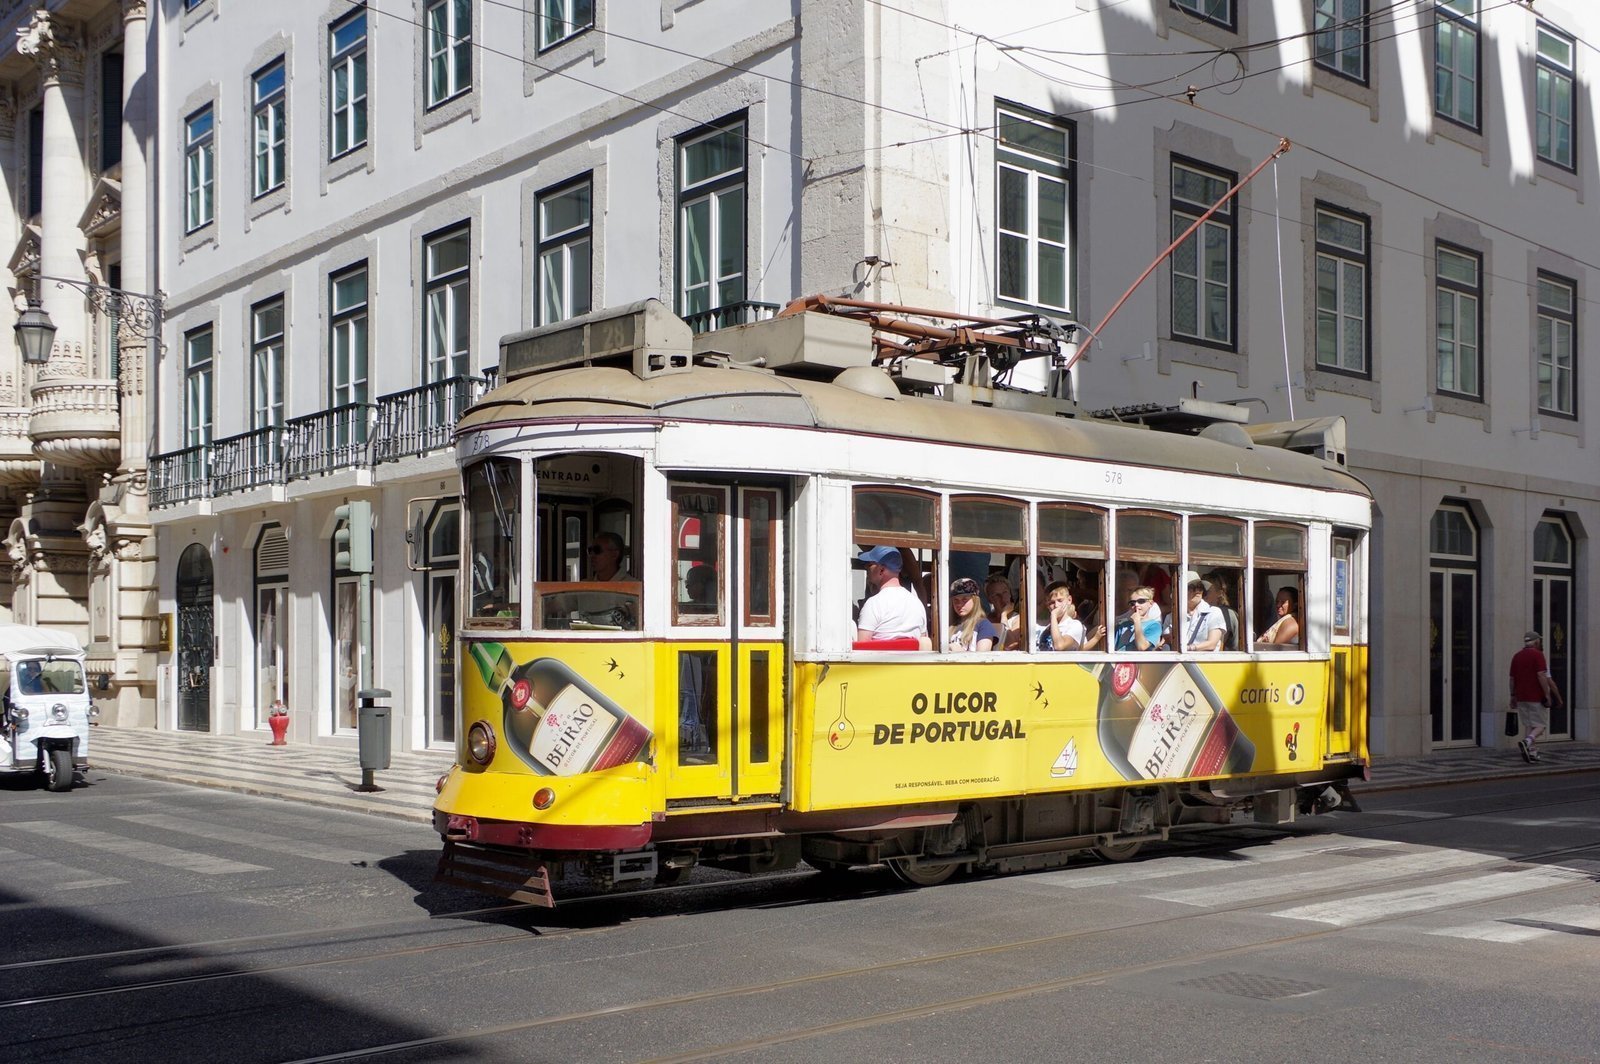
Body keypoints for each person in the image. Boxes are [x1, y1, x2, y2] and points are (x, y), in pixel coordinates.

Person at [855, 545, 929, 644]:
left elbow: (862, 648)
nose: (866, 567)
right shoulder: (917, 604)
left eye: (869, 564)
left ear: (881, 570)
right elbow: (924, 643)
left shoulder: (873, 604)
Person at [1509, 630, 1562, 763]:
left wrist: (1512, 695)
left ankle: (1531, 752)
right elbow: (1541, 675)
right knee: (1541, 725)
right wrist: (1546, 694)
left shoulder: (1517, 656)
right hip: (1535, 696)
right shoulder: (1538, 655)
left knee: (1529, 724)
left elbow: (1512, 679)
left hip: (1521, 696)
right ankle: (1527, 742)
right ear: (1536, 642)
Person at [1041, 580, 1105, 651]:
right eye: (1052, 602)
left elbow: (1059, 646)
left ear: (1069, 600)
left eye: (1060, 600)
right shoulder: (1045, 627)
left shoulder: (1074, 625)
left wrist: (1053, 615)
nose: (1056, 605)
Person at [948, 578, 998, 652]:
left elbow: (982, 658)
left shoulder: (984, 625)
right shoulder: (950, 625)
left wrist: (959, 652)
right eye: (956, 600)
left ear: (975, 600)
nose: (959, 604)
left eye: (965, 599)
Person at [1179, 571, 1225, 652]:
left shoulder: (1214, 612)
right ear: (1181, 592)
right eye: (1191, 587)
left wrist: (1188, 648)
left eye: (1200, 587)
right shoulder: (1174, 616)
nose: (1197, 590)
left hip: (1206, 662)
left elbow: (1212, 644)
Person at [1113, 585, 1162, 651]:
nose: (1136, 605)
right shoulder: (1124, 625)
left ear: (1150, 603)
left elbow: (1142, 647)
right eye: (1132, 603)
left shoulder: (1154, 625)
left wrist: (1137, 622)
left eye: (1141, 601)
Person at [984, 573, 1023, 650]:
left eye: (1005, 592)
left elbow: (1010, 645)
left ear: (1010, 594)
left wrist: (1004, 615)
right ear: (989, 599)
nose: (1002, 598)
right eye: (996, 595)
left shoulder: (1017, 618)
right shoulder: (985, 620)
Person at [1204, 570, 1240, 651]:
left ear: (1219, 593)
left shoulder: (1226, 614)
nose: (1203, 595)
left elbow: (1221, 644)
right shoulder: (1199, 612)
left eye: (1207, 592)